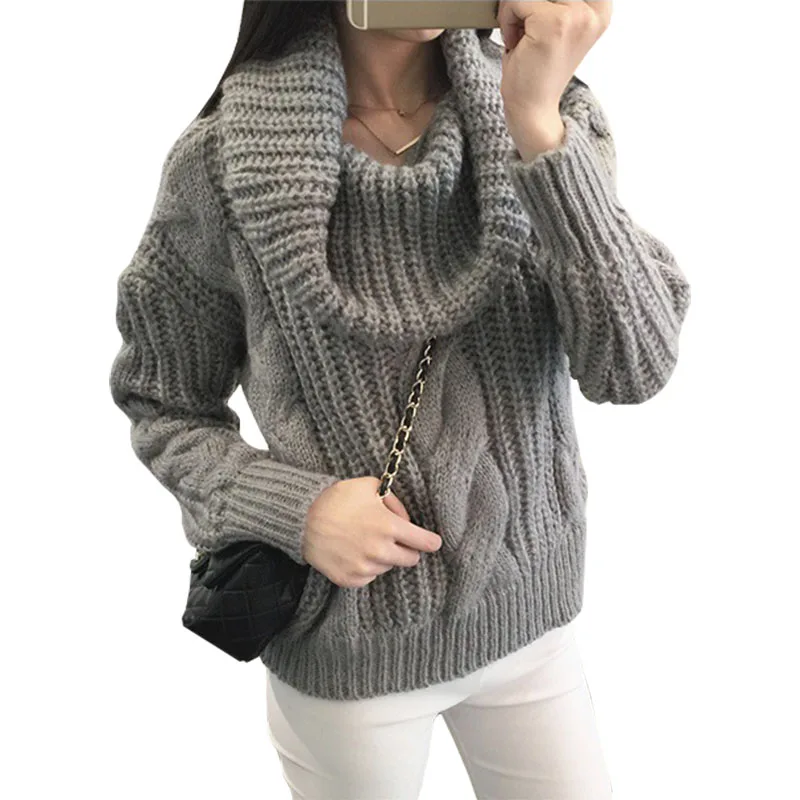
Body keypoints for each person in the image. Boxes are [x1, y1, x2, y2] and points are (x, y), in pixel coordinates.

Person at [108, 1, 691, 797]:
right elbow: (163, 402)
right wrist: (298, 510)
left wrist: (536, 126)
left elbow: (635, 366)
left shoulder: (552, 114)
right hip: (348, 655)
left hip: (532, 620)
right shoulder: (223, 165)